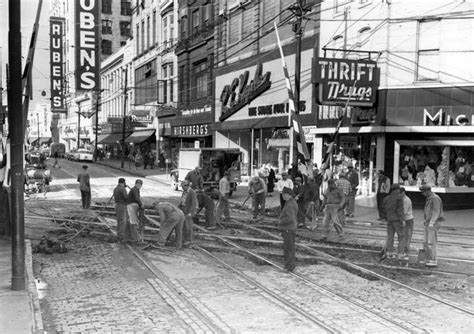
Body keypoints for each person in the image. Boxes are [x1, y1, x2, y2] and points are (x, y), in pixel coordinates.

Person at [420, 184, 444, 267]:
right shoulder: (430, 198)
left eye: (423, 192)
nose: (422, 194)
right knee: (426, 241)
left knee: (431, 242)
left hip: (433, 223)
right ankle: (428, 258)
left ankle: (433, 260)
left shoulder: (435, 198)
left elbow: (436, 211)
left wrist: (431, 222)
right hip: (429, 222)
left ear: (427, 191)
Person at [382, 184, 406, 260]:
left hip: (389, 220)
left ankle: (389, 253)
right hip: (397, 220)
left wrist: (386, 218)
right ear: (396, 190)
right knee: (401, 236)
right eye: (398, 189)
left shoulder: (386, 198)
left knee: (390, 237)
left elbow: (383, 210)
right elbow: (400, 210)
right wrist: (403, 220)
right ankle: (401, 254)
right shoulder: (399, 198)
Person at [279, 186, 298, 272]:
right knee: (289, 247)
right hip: (289, 228)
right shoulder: (290, 202)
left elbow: (290, 218)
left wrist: (281, 221)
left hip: (288, 228)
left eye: (284, 194)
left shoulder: (290, 204)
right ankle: (289, 265)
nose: (282, 196)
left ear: (288, 194)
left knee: (288, 248)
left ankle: (289, 266)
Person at [179, 180, 197, 247]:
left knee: (188, 226)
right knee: (183, 226)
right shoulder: (184, 191)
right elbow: (182, 200)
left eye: (183, 187)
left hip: (188, 211)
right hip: (183, 210)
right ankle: (184, 239)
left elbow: (194, 203)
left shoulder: (192, 192)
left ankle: (189, 240)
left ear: (186, 186)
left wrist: (191, 212)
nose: (182, 188)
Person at [126, 179, 143, 244]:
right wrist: (141, 204)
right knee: (133, 222)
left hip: (132, 206)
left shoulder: (135, 189)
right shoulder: (135, 189)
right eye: (138, 184)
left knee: (131, 221)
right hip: (131, 206)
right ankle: (136, 238)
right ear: (135, 184)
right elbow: (136, 198)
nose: (139, 185)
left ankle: (130, 236)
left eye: (140, 184)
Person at [400, 187, 414, 258]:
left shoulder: (406, 200)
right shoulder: (401, 199)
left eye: (400, 193)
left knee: (407, 235)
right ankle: (403, 249)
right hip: (404, 219)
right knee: (403, 235)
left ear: (403, 192)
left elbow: (404, 212)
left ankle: (406, 250)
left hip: (408, 219)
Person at [113, 178, 128, 242]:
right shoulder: (122, 189)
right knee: (123, 221)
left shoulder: (116, 188)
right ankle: (121, 236)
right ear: (124, 182)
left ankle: (119, 234)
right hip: (122, 206)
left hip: (117, 205)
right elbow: (126, 198)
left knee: (119, 221)